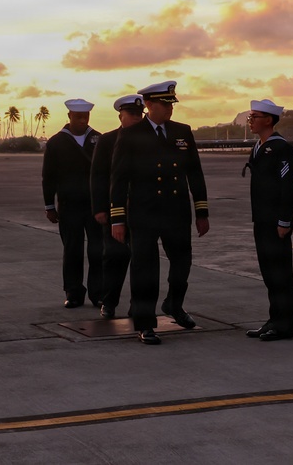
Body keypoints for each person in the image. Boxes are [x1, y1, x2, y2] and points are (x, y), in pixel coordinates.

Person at [110, 81, 209, 345]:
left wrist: (202, 211)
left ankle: (174, 305)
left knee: (182, 263)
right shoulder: (131, 134)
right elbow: (118, 179)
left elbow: (195, 173)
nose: (169, 109)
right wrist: (117, 219)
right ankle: (145, 323)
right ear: (149, 106)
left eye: (171, 104)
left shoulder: (182, 132)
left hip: (176, 212)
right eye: (165, 104)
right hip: (144, 213)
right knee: (145, 269)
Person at [243, 99, 293, 342]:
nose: (251, 121)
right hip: (262, 220)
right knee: (269, 272)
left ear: (268, 119)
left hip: (277, 221)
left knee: (281, 273)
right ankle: (274, 319)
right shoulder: (259, 146)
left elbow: (288, 185)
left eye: (254, 117)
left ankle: (285, 323)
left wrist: (284, 220)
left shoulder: (281, 148)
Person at [42, 99, 102, 309]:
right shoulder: (57, 142)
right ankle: (73, 292)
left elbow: (108, 174)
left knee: (98, 250)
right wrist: (50, 206)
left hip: (96, 206)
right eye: (78, 117)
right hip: (69, 205)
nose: (83, 120)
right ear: (69, 117)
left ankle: (98, 293)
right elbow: (48, 177)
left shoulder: (98, 139)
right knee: (72, 250)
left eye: (86, 117)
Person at [90, 95, 145, 319]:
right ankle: (109, 302)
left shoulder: (149, 139)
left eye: (139, 114)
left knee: (142, 260)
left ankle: (138, 305)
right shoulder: (107, 140)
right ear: (120, 115)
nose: (135, 118)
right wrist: (100, 208)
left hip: (142, 210)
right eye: (131, 114)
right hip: (116, 210)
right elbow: (98, 176)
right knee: (114, 257)